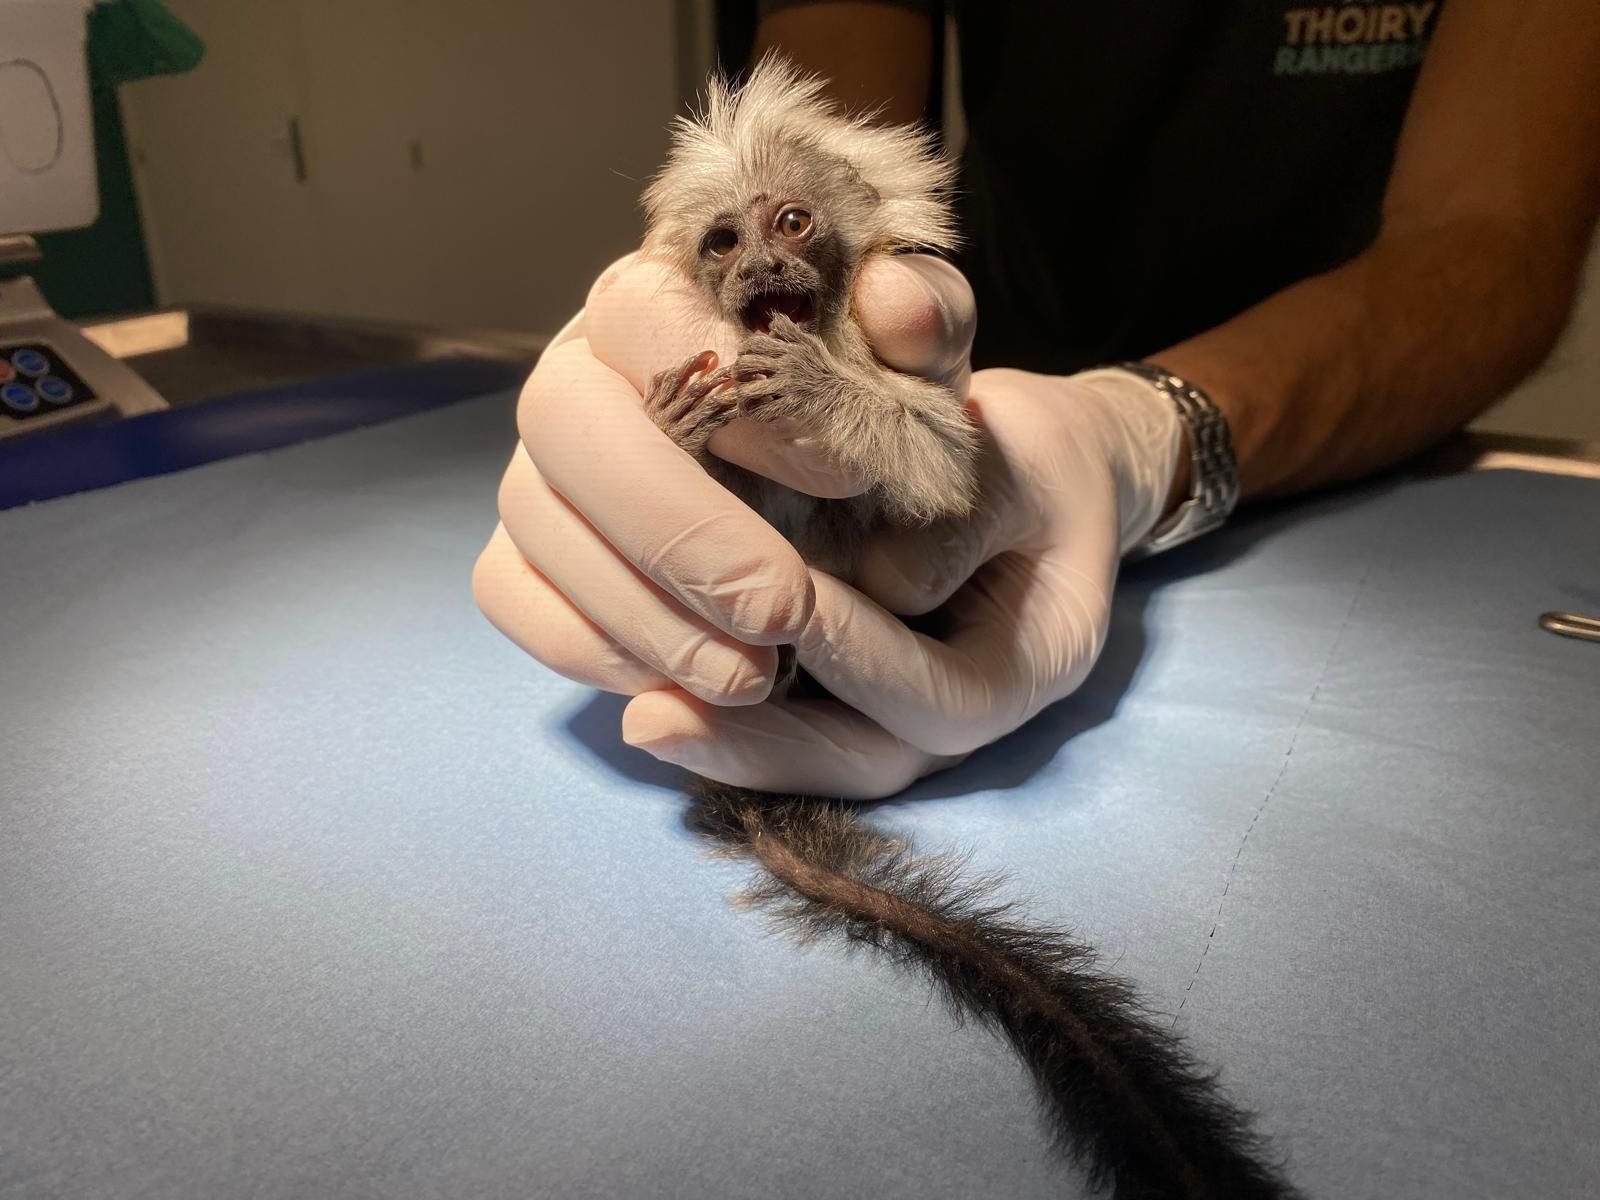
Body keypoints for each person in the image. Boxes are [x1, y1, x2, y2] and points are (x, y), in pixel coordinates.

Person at [472, 1, 1600, 799]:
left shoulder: (872, 302)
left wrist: (1133, 428)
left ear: (855, 219)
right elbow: (817, 108)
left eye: (792, 226)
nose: (761, 258)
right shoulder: (774, 301)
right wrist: (662, 426)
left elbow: (1488, 236)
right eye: (724, 242)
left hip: (1341, 438)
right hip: (997, 340)